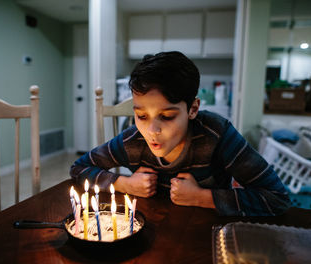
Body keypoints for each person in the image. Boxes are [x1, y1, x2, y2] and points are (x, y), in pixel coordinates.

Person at [70, 51, 290, 216]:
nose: (152, 131)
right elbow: (79, 168)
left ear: (192, 109)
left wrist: (202, 197)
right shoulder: (132, 141)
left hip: (205, 234)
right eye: (142, 116)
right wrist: (125, 184)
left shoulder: (217, 135)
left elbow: (277, 198)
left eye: (166, 117)